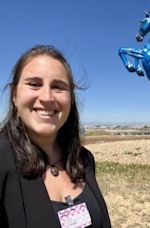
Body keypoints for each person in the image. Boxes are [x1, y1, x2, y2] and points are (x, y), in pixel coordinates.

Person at [0, 45, 111, 227]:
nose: (47, 97)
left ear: (71, 98)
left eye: (58, 87)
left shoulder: (84, 159)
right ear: (14, 95)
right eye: (34, 84)